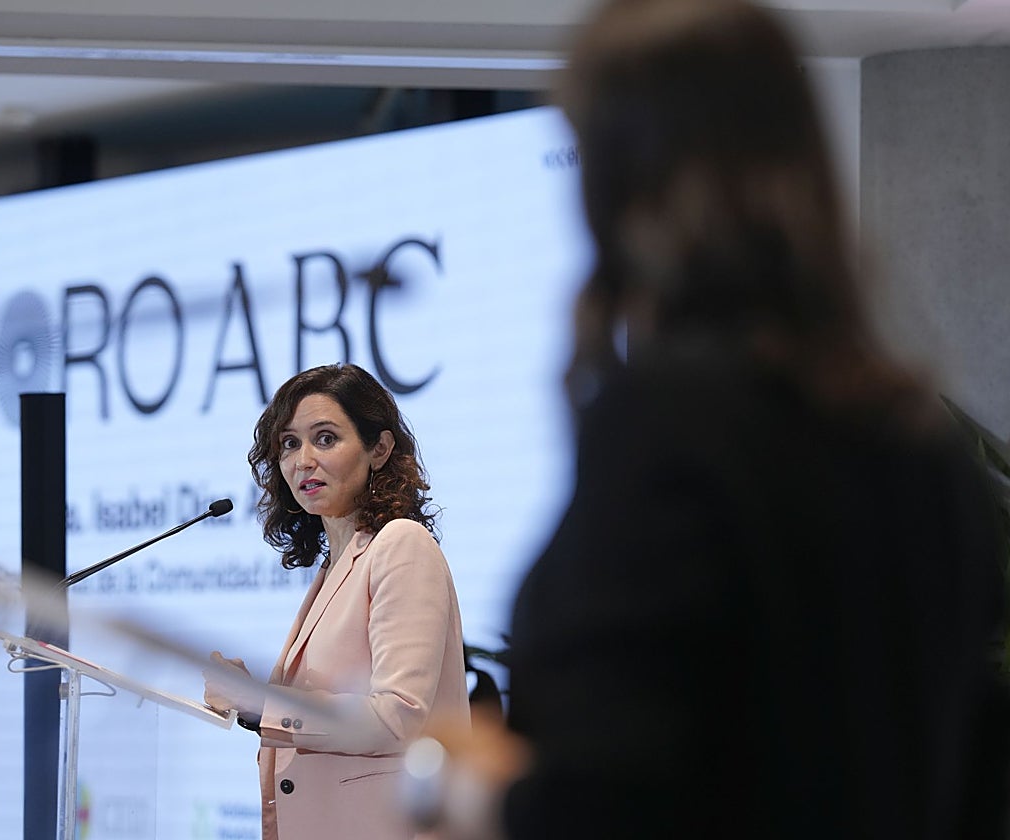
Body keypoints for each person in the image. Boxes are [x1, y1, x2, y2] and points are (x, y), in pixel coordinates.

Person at [416, 1, 1010, 838]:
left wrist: (470, 788)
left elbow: (606, 802)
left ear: (616, 182)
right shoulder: (921, 444)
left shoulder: (669, 428)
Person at [202, 362, 472, 840]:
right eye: (289, 443)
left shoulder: (401, 545)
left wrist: (262, 704)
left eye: (325, 438)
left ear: (380, 449)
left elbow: (397, 716)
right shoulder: (336, 565)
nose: (303, 460)